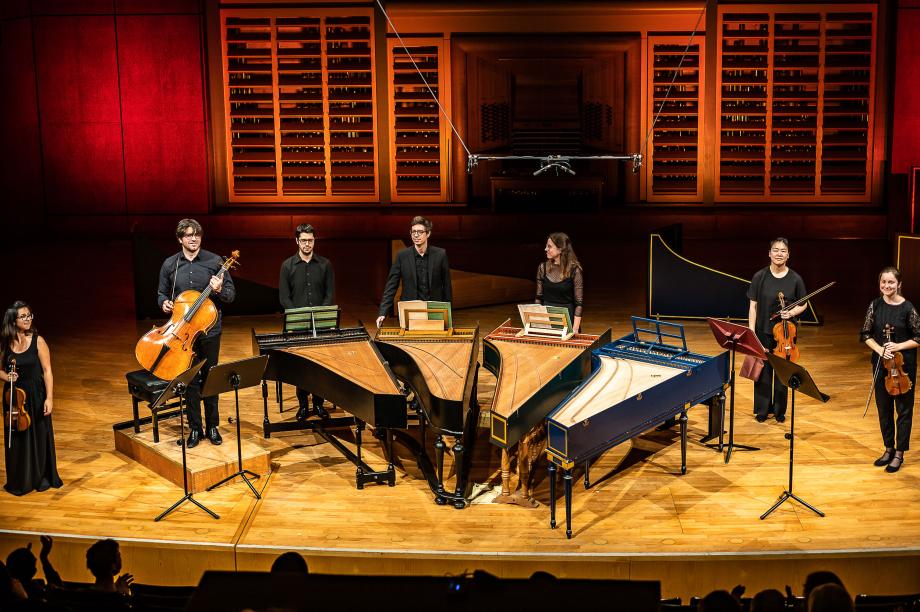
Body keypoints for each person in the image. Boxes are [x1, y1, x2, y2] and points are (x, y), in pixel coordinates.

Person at [157, 219, 235, 448]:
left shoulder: (215, 261)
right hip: (182, 333)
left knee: (211, 377)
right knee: (189, 380)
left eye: (197, 235)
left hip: (210, 330)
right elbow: (161, 293)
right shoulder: (170, 264)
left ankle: (212, 426)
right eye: (189, 235)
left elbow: (230, 295)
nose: (193, 239)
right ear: (180, 239)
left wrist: (219, 289)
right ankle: (194, 428)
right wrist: (164, 303)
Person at [860, 266, 920, 473]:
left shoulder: (908, 308)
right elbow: (865, 334)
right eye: (883, 282)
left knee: (904, 410)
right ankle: (888, 448)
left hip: (904, 367)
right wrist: (879, 349)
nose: (887, 285)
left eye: (891, 282)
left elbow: (918, 337)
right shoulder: (875, 305)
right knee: (884, 409)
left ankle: (899, 453)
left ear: (899, 284)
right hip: (881, 364)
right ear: (880, 284)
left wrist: (898, 346)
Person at [1, 301, 62, 496]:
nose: (27, 319)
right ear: (13, 320)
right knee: (17, 438)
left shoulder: (38, 341)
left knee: (39, 436)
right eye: (23, 316)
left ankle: (40, 477)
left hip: (36, 395)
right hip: (14, 397)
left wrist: (49, 398)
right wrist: (6, 377)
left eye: (29, 315)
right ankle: (20, 479)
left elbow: (47, 371)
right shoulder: (5, 343)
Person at [747, 237, 807, 423]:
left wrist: (792, 312)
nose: (779, 254)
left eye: (783, 251)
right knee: (763, 373)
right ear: (769, 253)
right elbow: (753, 306)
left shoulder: (795, 279)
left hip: (786, 334)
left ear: (788, 255)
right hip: (763, 331)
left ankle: (780, 410)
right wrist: (751, 332)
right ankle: (762, 410)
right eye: (775, 250)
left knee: (783, 373)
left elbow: (803, 304)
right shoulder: (759, 276)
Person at [279, 224, 335, 421]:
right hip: (298, 324)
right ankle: (303, 405)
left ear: (314, 241)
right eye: (303, 240)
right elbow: (284, 297)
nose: (307, 244)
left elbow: (329, 294)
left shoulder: (325, 264)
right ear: (297, 241)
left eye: (310, 240)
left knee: (320, 366)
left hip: (320, 323)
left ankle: (318, 404)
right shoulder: (287, 266)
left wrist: (321, 315)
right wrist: (298, 317)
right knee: (302, 367)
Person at [376, 216, 452, 327]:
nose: (416, 235)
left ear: (428, 234)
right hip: (410, 311)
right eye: (413, 232)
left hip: (434, 310)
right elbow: (391, 286)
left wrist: (448, 314)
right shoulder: (402, 256)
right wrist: (382, 313)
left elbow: (447, 286)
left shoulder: (440, 255)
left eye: (420, 232)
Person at [536, 232, 584, 333]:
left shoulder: (574, 270)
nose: (545, 249)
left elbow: (579, 304)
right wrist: (537, 323)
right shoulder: (542, 268)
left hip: (567, 320)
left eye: (549, 246)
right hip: (547, 319)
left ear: (560, 249)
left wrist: (575, 329)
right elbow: (538, 298)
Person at [5, 536, 62, 602]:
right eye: (33, 564)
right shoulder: (38, 595)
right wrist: (44, 558)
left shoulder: (22, 588)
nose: (36, 569)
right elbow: (59, 593)